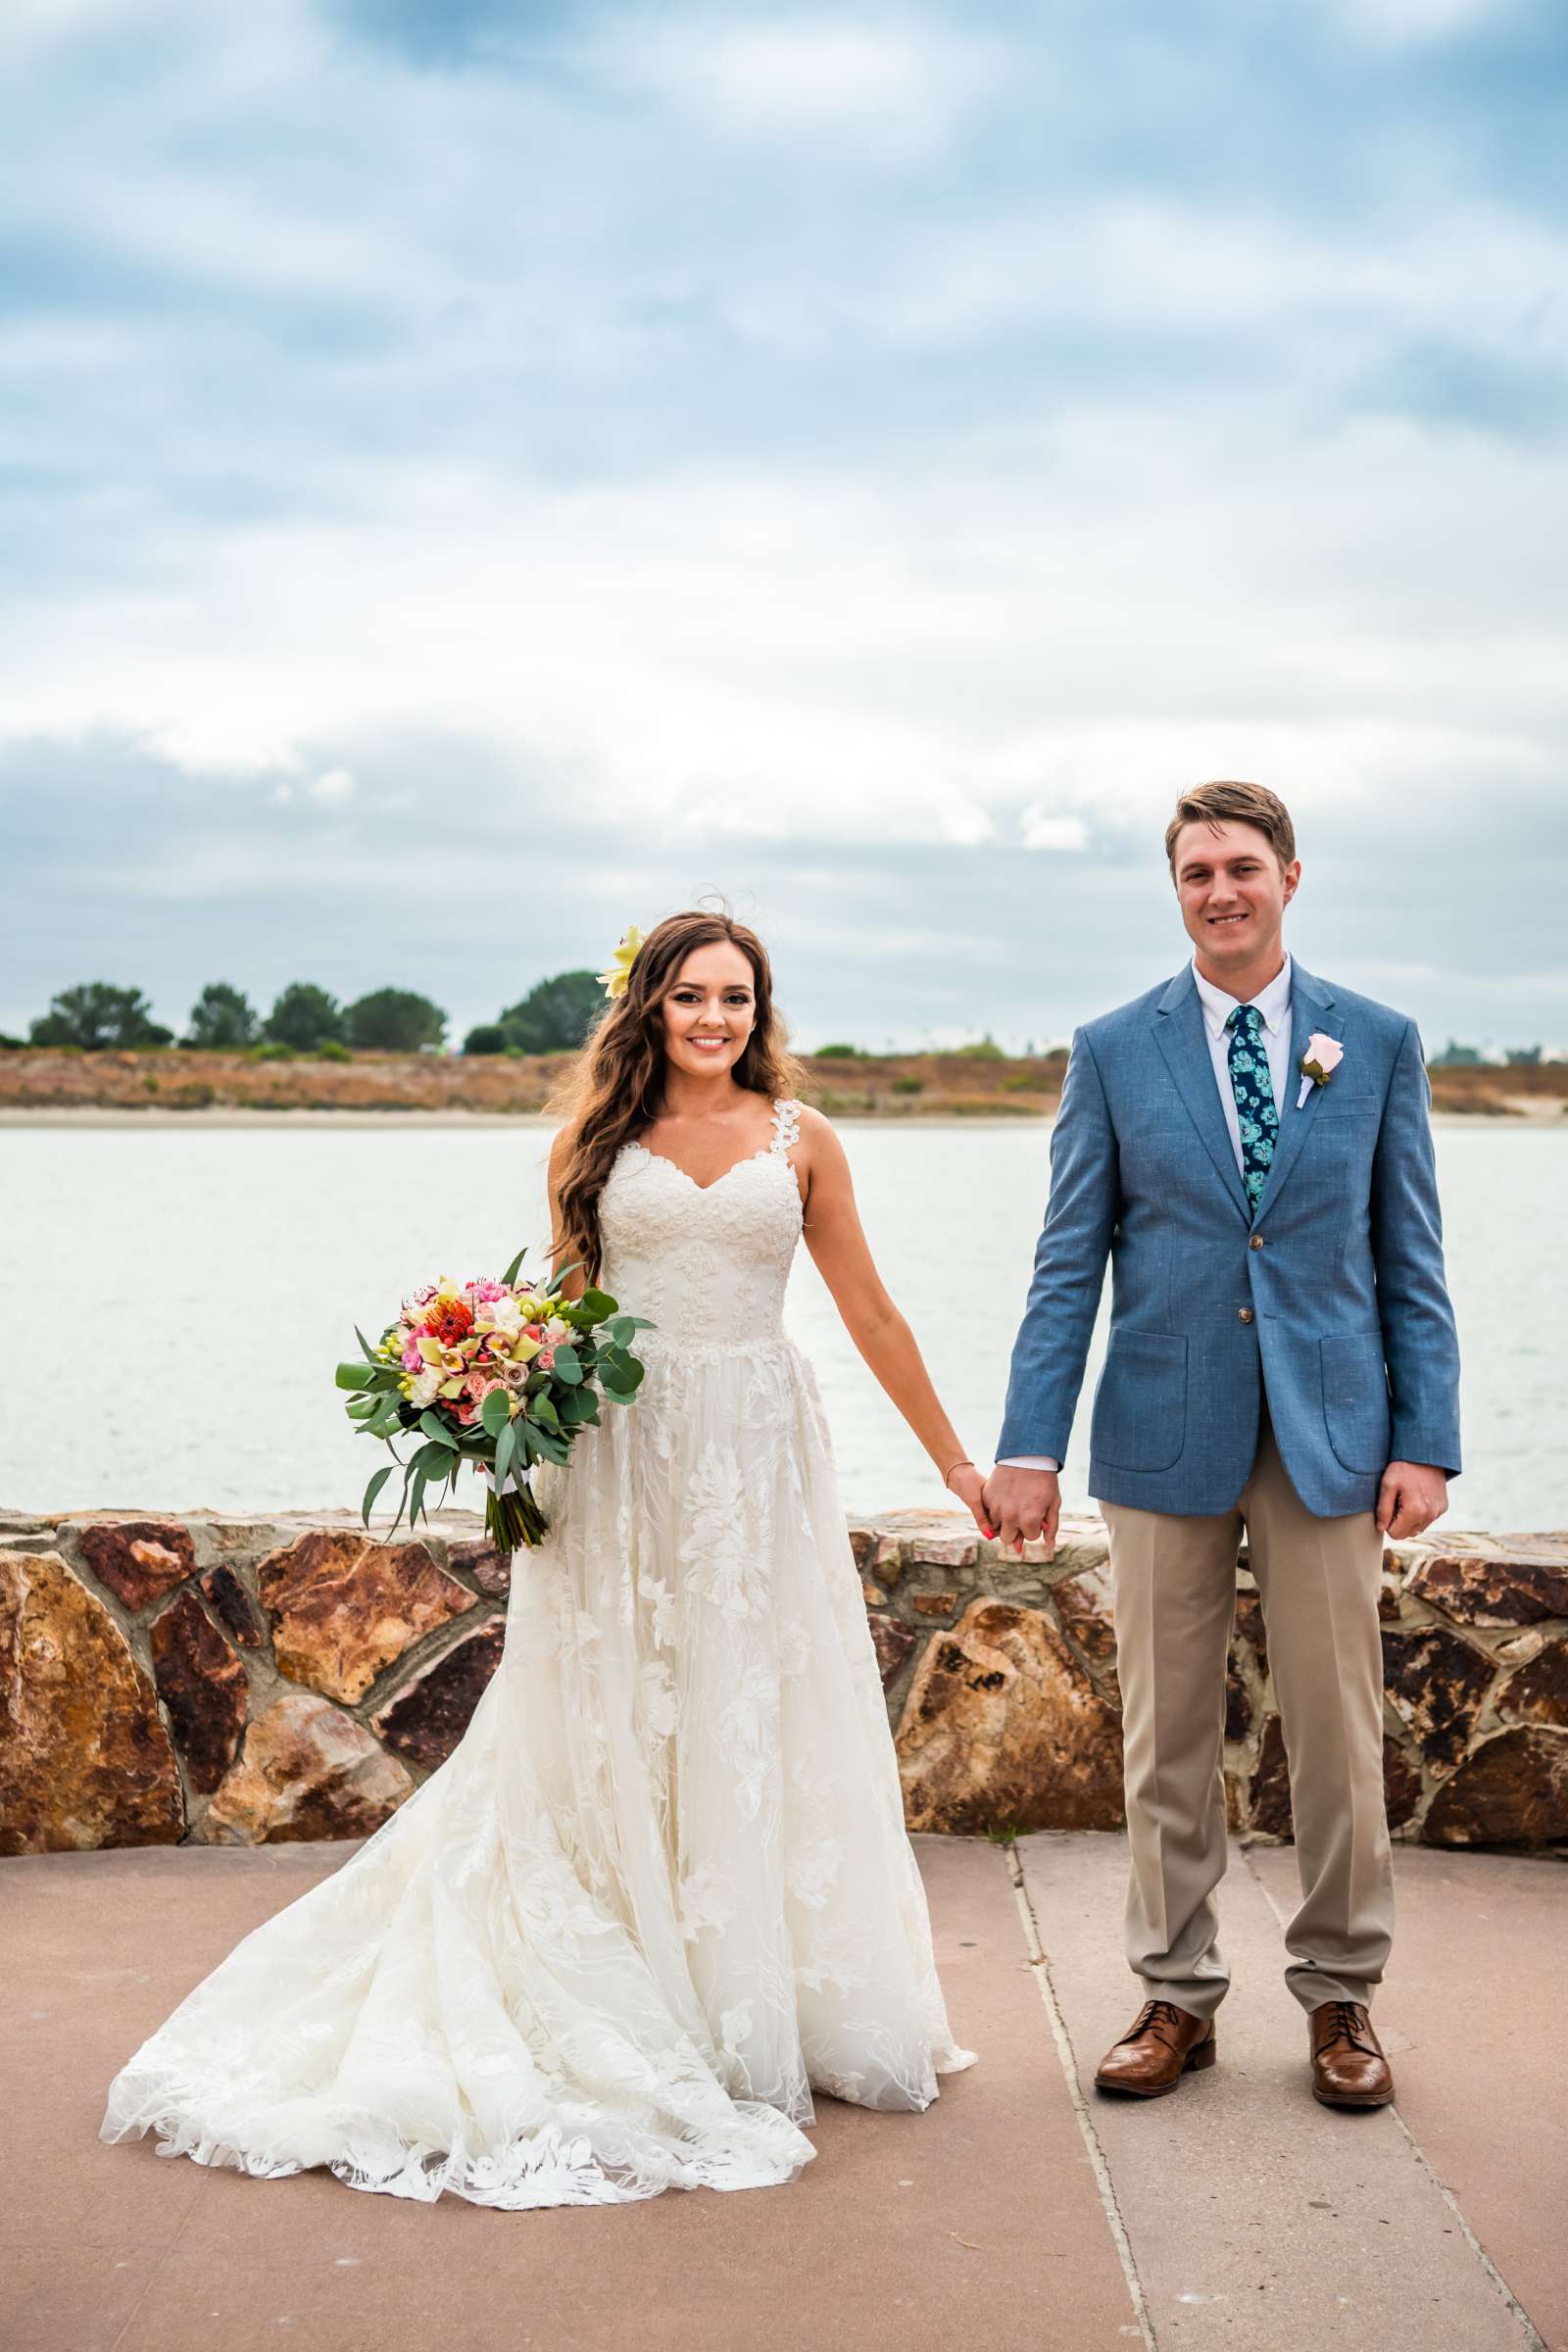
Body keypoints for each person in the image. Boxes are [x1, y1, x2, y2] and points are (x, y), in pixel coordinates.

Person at [101, 909, 979, 2206]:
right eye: (690, 997)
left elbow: (871, 1309)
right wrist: (484, 1396)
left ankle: (754, 1993)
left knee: (748, 1700)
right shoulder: (590, 1142)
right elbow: (566, 1319)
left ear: (763, 1011)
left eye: (737, 998)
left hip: (754, 1451)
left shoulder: (805, 1144)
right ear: (649, 1009)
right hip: (617, 1457)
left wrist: (959, 1465)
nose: (716, 1019)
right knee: (612, 1700)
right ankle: (625, 1976)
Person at [984, 780, 1460, 2110]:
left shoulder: (1374, 1040)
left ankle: (1343, 1998)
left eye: (1242, 867)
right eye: (1196, 872)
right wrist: (1030, 1443)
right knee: (1166, 1736)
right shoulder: (1113, 1048)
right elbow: (1067, 1262)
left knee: (1339, 1729)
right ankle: (1173, 1994)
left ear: (1291, 878)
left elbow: (1409, 1259)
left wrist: (1424, 1440)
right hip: (1159, 1427)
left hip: (1333, 1438)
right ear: (1177, 887)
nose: (1220, 891)